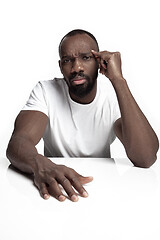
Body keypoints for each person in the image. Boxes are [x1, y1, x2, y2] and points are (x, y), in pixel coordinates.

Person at [6, 29, 159, 202]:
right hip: (56, 189)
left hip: (104, 188)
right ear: (60, 66)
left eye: (85, 58)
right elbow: (19, 142)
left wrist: (118, 80)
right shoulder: (45, 91)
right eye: (67, 60)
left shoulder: (112, 95)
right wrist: (40, 164)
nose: (76, 67)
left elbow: (145, 158)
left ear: (99, 62)